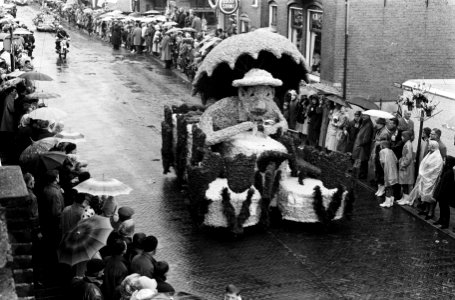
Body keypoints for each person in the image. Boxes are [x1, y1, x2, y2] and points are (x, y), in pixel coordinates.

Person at [405, 141, 444, 217]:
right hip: (425, 178)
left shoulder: (438, 157)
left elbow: (436, 169)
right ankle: (425, 209)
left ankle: (430, 212)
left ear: (433, 147)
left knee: (430, 196)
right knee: (424, 194)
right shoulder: (430, 154)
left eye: (429, 146)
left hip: (431, 179)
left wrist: (426, 174)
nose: (428, 147)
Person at [41, 169, 64, 248]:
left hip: (48, 223)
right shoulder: (55, 193)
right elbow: (56, 213)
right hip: (55, 226)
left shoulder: (47, 188)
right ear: (56, 179)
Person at [433, 156, 455, 229]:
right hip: (441, 192)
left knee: (445, 208)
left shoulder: (450, 172)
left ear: (449, 163)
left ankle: (446, 223)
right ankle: (441, 219)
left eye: (445, 161)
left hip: (445, 194)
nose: (444, 162)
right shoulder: (446, 170)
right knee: (441, 206)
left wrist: (442, 192)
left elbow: (447, 185)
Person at [396, 131, 415, 206]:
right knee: (404, 183)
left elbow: (408, 157)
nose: (401, 138)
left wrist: (403, 164)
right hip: (406, 166)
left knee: (405, 183)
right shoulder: (407, 144)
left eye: (403, 136)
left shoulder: (408, 145)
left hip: (406, 167)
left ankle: (406, 198)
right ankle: (404, 197)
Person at [352, 113, 374, 179]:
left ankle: (362, 175)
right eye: (363, 115)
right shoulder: (364, 122)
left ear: (369, 116)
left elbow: (366, 138)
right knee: (361, 161)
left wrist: (360, 143)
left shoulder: (369, 124)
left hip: (362, 147)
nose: (363, 116)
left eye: (365, 115)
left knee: (363, 161)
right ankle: (359, 174)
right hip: (360, 145)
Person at [378, 141, 398, 208]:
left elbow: (382, 161)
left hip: (387, 171)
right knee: (392, 186)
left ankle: (387, 202)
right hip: (394, 171)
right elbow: (396, 160)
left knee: (387, 187)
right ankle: (391, 201)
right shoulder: (391, 151)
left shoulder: (382, 151)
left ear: (383, 146)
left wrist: (383, 169)